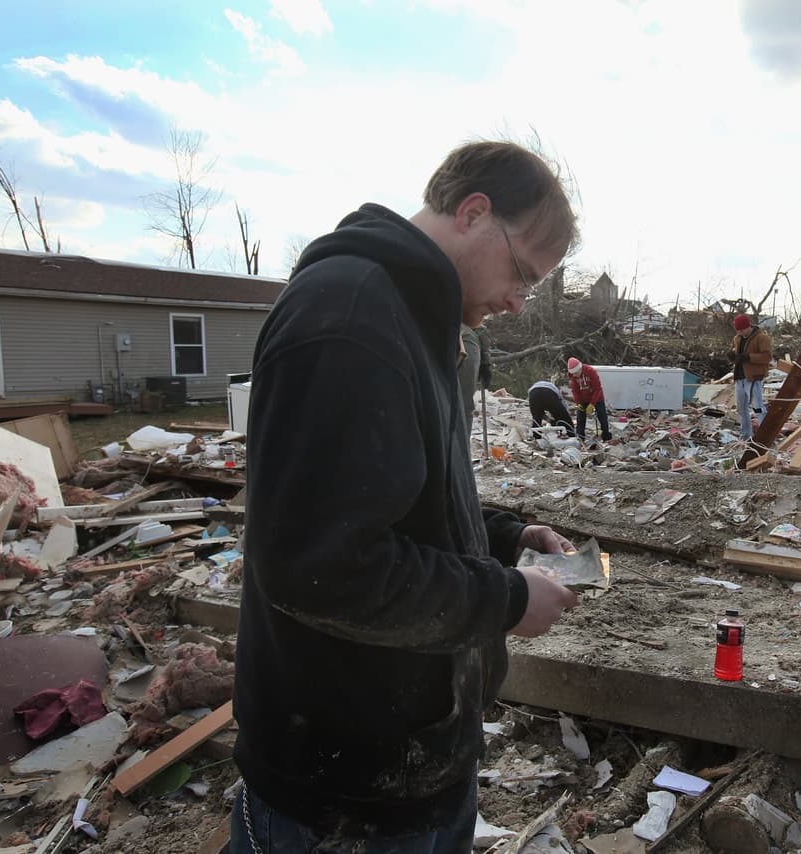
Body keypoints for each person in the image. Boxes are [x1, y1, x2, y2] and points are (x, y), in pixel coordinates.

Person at [232, 140, 580, 854]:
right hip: (339, 794)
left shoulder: (428, 327)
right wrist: (507, 601)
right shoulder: (351, 318)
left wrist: (505, 537)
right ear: (473, 213)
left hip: (413, 758)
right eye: (521, 273)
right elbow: (323, 565)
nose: (519, 301)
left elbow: (402, 500)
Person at [731, 313, 772, 443]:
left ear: (747, 326)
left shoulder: (761, 338)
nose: (740, 332)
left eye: (741, 329)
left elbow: (767, 357)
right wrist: (732, 355)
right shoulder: (737, 338)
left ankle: (766, 436)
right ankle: (746, 434)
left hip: (753, 378)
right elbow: (737, 353)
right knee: (742, 409)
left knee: (757, 407)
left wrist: (749, 357)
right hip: (739, 377)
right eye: (737, 330)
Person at [567, 356, 612, 443]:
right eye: (573, 374)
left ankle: (606, 436)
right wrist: (578, 403)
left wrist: (592, 404)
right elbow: (575, 391)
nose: (575, 375)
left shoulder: (591, 371)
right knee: (580, 417)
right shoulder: (573, 376)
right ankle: (580, 437)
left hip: (597, 396)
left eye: (576, 373)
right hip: (583, 398)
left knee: (602, 416)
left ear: (580, 368)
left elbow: (597, 389)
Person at [459, 323, 492, 436]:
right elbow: (480, 329)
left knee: (463, 406)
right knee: (464, 406)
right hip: (466, 342)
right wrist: (485, 363)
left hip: (463, 342)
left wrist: (485, 363)